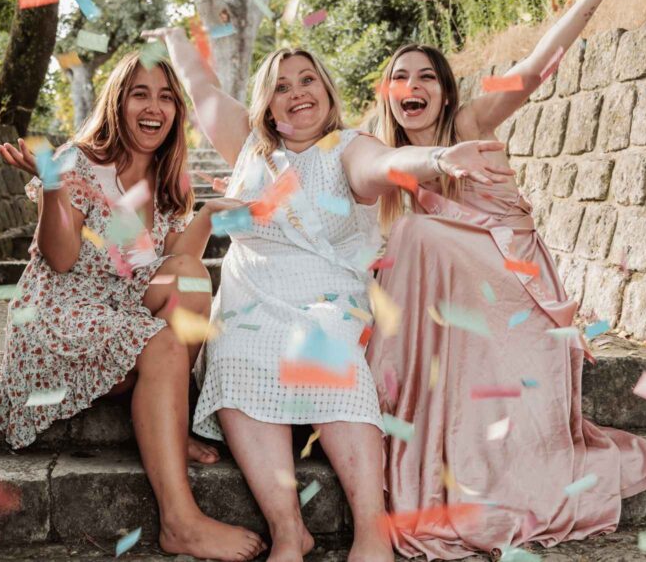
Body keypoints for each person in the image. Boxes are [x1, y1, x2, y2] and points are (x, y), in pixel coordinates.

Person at [364, 0, 646, 558]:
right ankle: (399, 406)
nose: (412, 85)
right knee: (404, 239)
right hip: (451, 312)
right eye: (399, 77)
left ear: (445, 92)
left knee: (413, 232)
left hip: (515, 290)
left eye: (426, 76)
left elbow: (537, 67)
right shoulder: (383, 160)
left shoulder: (470, 123)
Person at [143, 27, 514, 562]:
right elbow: (200, 86)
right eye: (282, 86)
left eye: (307, 80)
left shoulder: (349, 146)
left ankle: (371, 530)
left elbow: (385, 166)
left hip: (329, 295)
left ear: (326, 90)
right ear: (267, 103)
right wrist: (175, 39)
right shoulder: (248, 145)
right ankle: (289, 531)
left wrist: (435, 160)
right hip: (252, 294)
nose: (296, 93)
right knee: (239, 354)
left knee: (326, 348)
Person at [0, 52, 266, 562]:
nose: (154, 107)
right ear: (118, 102)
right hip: (61, 317)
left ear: (176, 111)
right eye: (140, 94)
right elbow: (61, 259)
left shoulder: (168, 180)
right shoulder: (79, 161)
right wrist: (54, 188)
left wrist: (210, 214)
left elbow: (176, 265)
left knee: (192, 278)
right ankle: (180, 521)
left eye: (166, 97)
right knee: (164, 342)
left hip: (121, 316)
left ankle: (167, 419)